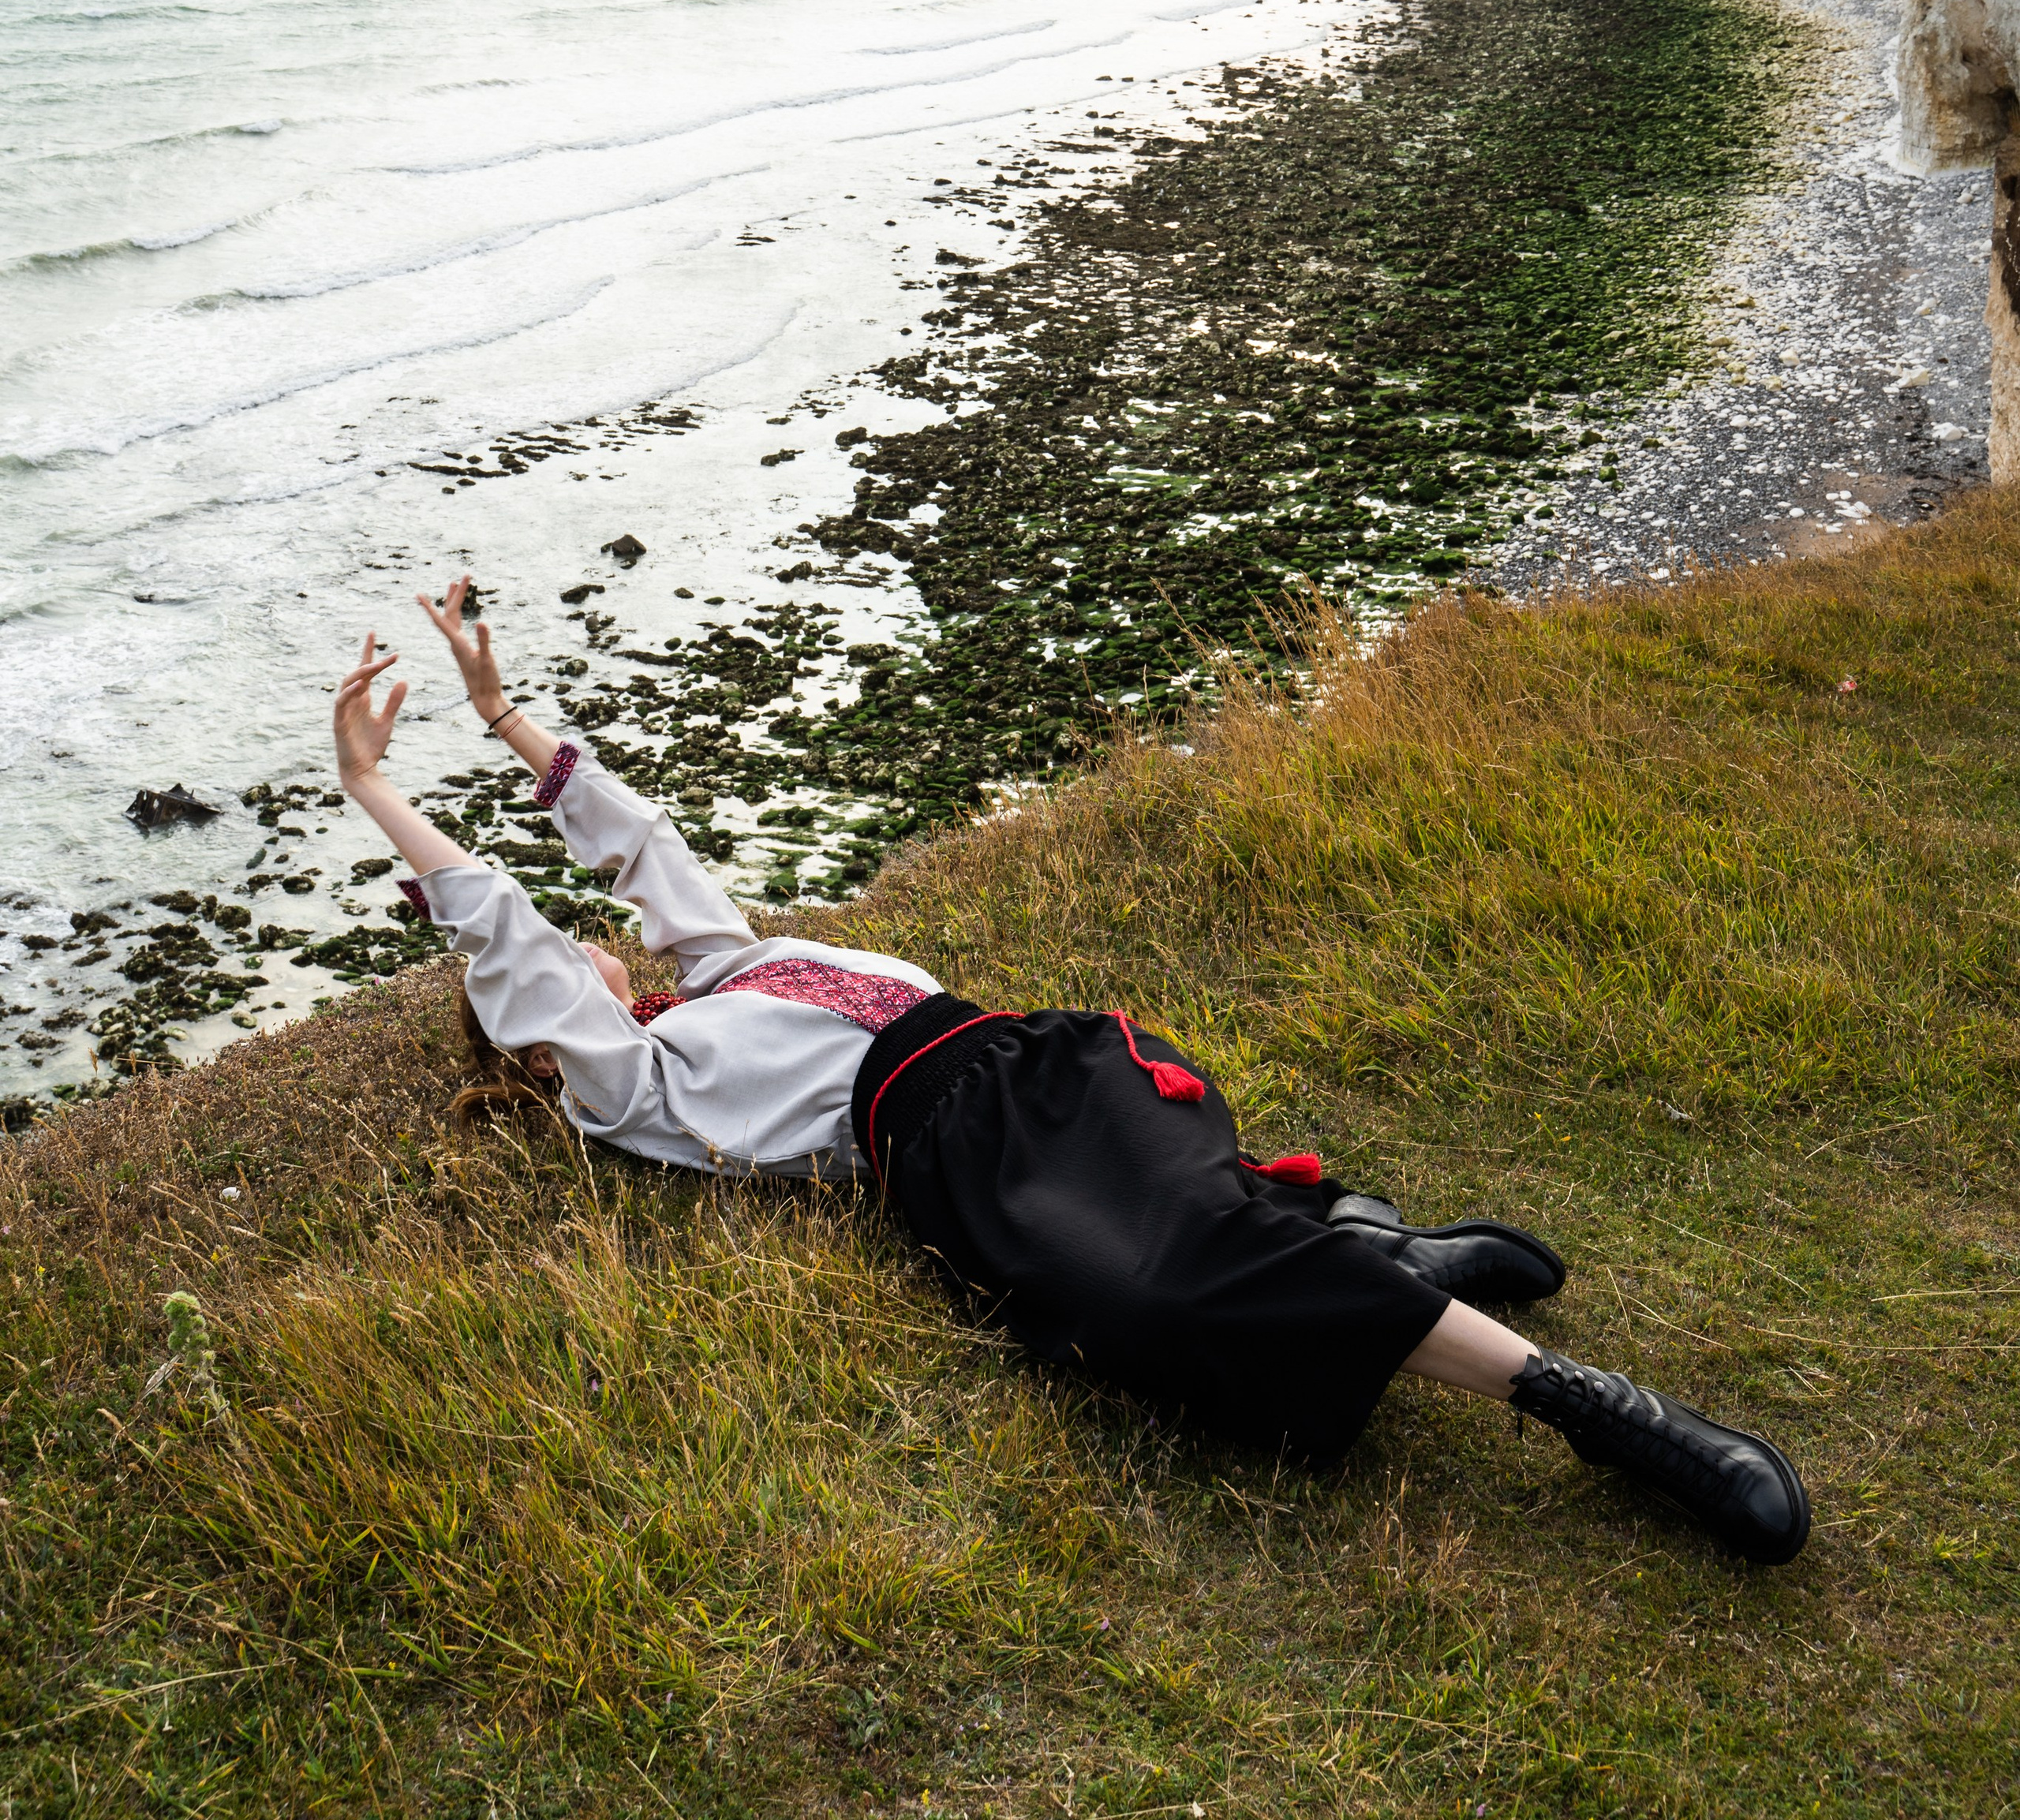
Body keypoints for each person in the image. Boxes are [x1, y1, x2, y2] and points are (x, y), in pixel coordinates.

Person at [332, 577, 1811, 1566]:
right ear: (539, 1041)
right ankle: (1595, 1407)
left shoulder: (717, 969)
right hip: (961, 1154)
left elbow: (644, 848)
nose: (592, 956)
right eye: (553, 990)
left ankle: (1376, 1251)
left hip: (1037, 1054)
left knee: (1202, 1219)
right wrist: (378, 792)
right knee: (1161, 1290)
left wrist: (496, 706)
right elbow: (505, 926)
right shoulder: (633, 1090)